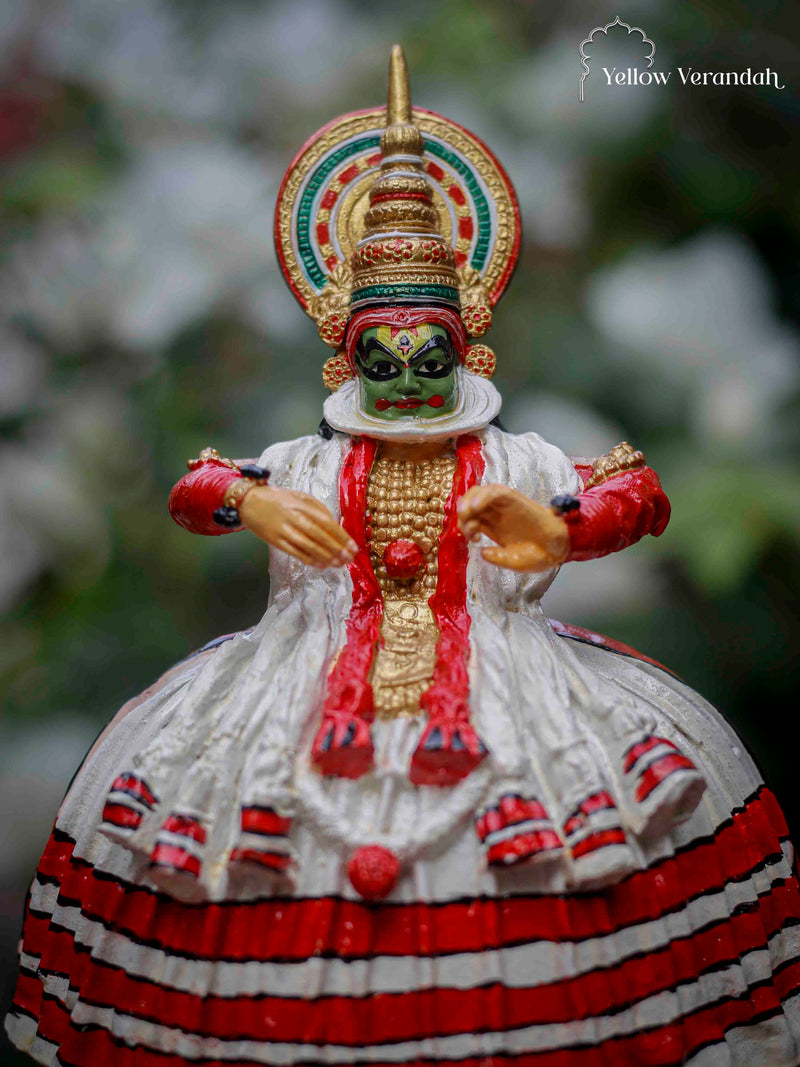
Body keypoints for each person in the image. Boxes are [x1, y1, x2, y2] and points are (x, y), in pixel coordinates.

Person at [7, 46, 800, 1067]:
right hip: (295, 678)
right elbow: (192, 484)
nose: (407, 383)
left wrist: (562, 528)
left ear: (467, 344)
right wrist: (249, 500)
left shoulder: (515, 456)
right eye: (382, 361)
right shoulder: (304, 458)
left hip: (517, 686)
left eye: (428, 358)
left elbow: (634, 491)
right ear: (344, 353)